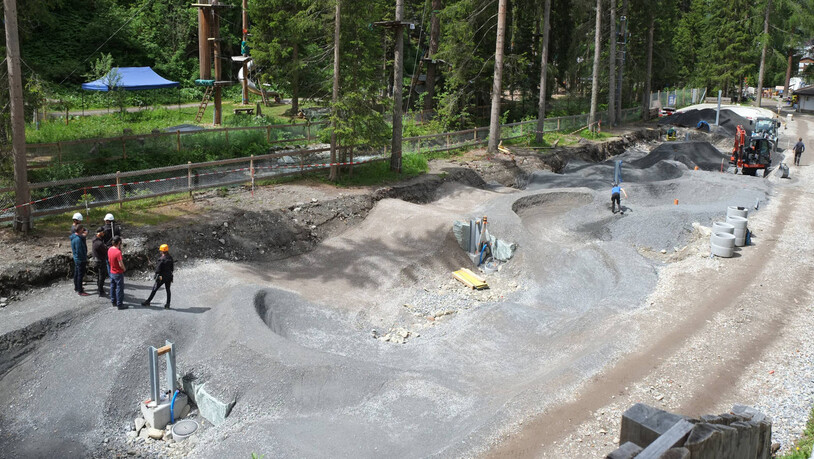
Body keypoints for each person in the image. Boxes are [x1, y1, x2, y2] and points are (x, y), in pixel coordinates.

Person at [142, 244, 174, 309]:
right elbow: (172, 269)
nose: (160, 252)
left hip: (161, 277)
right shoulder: (170, 258)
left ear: (162, 251)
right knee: (168, 290)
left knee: (155, 288)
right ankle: (168, 304)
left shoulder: (161, 259)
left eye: (160, 250)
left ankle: (148, 301)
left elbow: (158, 270)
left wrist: (156, 274)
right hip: (169, 276)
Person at [108, 236, 127, 309]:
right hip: (118, 273)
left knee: (112, 287)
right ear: (119, 242)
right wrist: (124, 269)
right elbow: (120, 263)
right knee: (119, 288)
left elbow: (109, 260)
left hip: (112, 271)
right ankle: (120, 304)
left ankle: (113, 301)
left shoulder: (109, 249)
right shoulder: (118, 252)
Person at [70, 225, 90, 296]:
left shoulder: (73, 237)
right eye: (82, 229)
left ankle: (77, 287)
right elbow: (79, 251)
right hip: (80, 259)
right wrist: (84, 258)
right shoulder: (78, 240)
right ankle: (80, 290)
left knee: (76, 273)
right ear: (80, 230)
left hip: (76, 258)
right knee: (80, 275)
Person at [91, 226, 108, 297]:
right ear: (100, 233)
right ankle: (101, 290)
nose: (104, 233)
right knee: (102, 276)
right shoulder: (99, 243)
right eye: (103, 232)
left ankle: (99, 286)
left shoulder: (94, 239)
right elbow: (105, 251)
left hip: (95, 259)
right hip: (100, 260)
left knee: (98, 275)